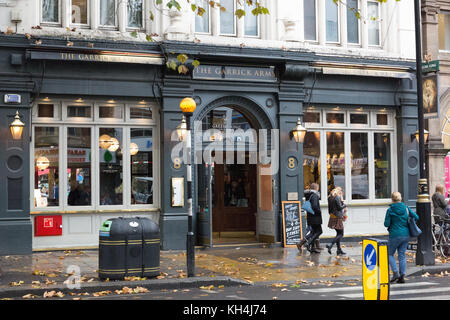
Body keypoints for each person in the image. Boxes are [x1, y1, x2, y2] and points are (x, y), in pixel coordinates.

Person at [384, 191, 419, 284]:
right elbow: (416, 217)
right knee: (402, 255)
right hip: (406, 235)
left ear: (392, 199)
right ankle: (402, 275)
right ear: (401, 198)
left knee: (389, 254)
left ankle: (395, 273)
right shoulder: (406, 208)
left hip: (395, 235)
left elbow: (386, 224)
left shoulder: (390, 210)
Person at [301, 183, 323, 254]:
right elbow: (315, 206)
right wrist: (319, 211)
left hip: (310, 216)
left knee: (313, 232)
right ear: (316, 188)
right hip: (315, 217)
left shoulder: (309, 195)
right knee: (319, 231)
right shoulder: (314, 195)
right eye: (318, 187)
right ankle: (308, 243)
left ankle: (313, 248)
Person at [326, 187, 347, 255]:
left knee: (338, 233)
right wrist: (344, 205)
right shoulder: (337, 197)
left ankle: (339, 250)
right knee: (341, 234)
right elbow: (339, 207)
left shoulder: (330, 197)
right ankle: (330, 244)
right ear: (339, 191)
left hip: (332, 216)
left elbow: (329, 208)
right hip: (337, 217)